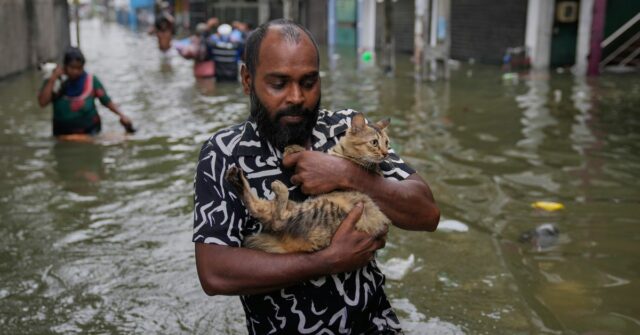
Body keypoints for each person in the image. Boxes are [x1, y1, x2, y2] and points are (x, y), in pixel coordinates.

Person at [193, 19, 440, 334]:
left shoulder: (349, 128)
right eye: (279, 83)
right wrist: (328, 261)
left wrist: (348, 174)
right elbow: (214, 273)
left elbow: (427, 214)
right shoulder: (224, 153)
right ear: (247, 80)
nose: (297, 97)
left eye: (309, 82)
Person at [38, 47, 134, 137]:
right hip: (62, 134)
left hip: (90, 132)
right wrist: (53, 78)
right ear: (65, 66)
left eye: (79, 68)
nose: (75, 71)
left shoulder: (91, 81)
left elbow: (106, 101)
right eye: (72, 68)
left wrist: (122, 115)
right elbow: (42, 103)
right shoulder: (55, 81)